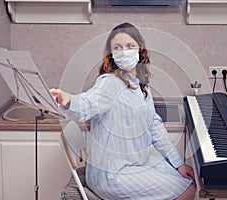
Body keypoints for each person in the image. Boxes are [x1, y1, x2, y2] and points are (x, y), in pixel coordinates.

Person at [50, 22, 196, 200]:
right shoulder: (108, 83)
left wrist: (178, 163)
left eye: (130, 46)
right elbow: (87, 103)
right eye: (117, 48)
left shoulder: (141, 86)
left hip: (137, 163)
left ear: (140, 50)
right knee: (187, 191)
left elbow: (154, 126)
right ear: (111, 54)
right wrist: (68, 100)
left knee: (186, 182)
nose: (124, 51)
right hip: (111, 174)